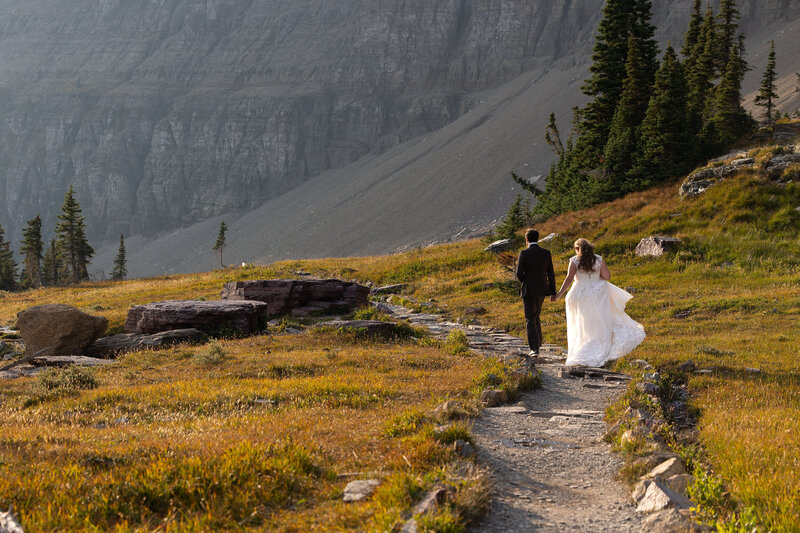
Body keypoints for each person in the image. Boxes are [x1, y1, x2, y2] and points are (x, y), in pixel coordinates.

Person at [551, 238, 645, 367]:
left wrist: (558, 295)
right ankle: (600, 344)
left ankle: (582, 346)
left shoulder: (574, 260)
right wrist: (596, 278)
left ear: (578, 249)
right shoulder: (598, 259)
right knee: (599, 321)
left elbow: (568, 279)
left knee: (582, 323)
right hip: (597, 293)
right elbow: (607, 276)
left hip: (580, 294)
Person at [515, 229, 556, 356]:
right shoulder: (546, 253)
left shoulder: (524, 253)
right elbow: (551, 273)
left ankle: (534, 349)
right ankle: (538, 343)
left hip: (529, 289)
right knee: (536, 316)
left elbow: (519, 274)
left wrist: (525, 281)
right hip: (543, 289)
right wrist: (552, 291)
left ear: (526, 239)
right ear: (537, 238)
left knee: (529, 318)